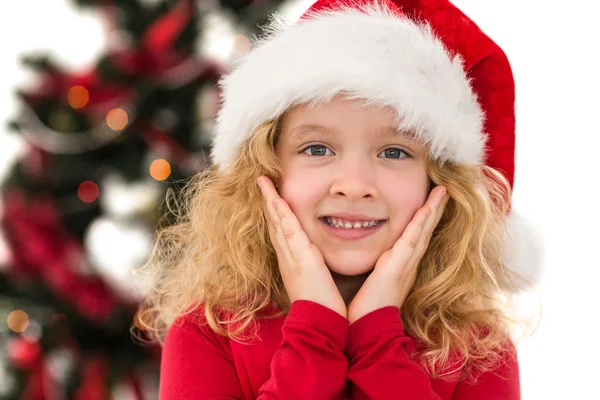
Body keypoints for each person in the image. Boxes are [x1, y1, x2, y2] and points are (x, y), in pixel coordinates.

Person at [135, 0, 542, 398]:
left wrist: (379, 345)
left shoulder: (478, 349)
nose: (353, 185)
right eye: (317, 149)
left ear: (440, 184)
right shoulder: (211, 331)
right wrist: (314, 335)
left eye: (394, 152)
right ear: (266, 170)